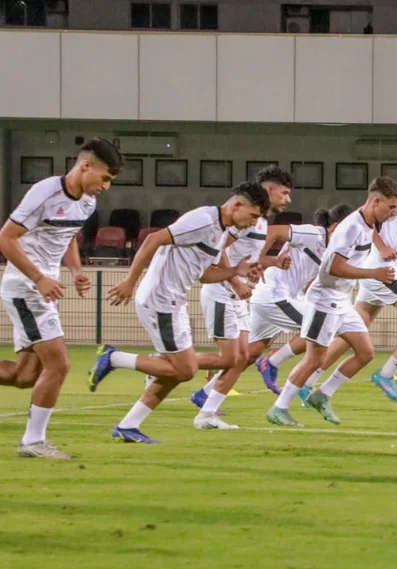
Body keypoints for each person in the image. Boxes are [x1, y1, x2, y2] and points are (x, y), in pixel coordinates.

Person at [87, 182, 270, 442]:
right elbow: (153, 239)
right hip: (161, 300)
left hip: (174, 302)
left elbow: (205, 274)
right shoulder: (203, 220)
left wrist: (235, 272)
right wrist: (130, 281)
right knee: (184, 370)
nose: (252, 224)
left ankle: (129, 425)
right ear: (237, 205)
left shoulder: (219, 232)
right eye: (253, 216)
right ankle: (113, 358)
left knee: (174, 372)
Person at [0, 138, 122, 459]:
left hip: (41, 289)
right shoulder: (45, 192)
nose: (106, 187)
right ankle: (32, 442)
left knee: (24, 377)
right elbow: (6, 239)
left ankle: (33, 440)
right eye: (105, 178)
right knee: (59, 364)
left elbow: (65, 236)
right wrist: (39, 278)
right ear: (86, 166)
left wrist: (76, 271)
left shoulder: (86, 203)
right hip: (26, 287)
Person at [310, 152, 397, 405]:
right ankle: (387, 374)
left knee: (354, 331)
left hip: (385, 272)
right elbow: (368, 216)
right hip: (381, 271)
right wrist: (382, 246)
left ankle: (309, 380)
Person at [198, 204, 353, 421]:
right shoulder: (314, 234)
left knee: (247, 354)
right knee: (326, 325)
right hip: (274, 296)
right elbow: (275, 232)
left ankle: (204, 394)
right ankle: (273, 363)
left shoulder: (336, 250)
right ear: (335, 226)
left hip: (281, 296)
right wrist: (259, 261)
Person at [266, 177, 397, 427]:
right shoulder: (351, 227)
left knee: (365, 353)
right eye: (391, 207)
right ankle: (279, 407)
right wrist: (374, 274)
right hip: (324, 300)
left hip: (341, 300)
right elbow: (334, 267)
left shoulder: (369, 226)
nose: (394, 213)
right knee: (314, 360)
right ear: (376, 201)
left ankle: (322, 394)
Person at [189, 166, 294, 424]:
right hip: (222, 291)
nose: (288, 199)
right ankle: (164, 362)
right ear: (269, 190)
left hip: (236, 295)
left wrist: (264, 266)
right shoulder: (246, 219)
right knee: (230, 357)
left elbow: (244, 257)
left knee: (243, 356)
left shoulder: (259, 221)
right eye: (284, 193)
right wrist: (236, 281)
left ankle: (207, 409)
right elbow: (220, 246)